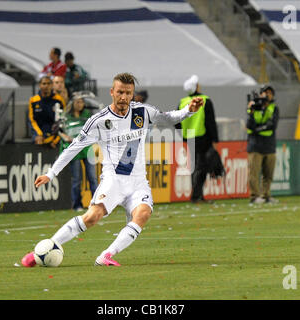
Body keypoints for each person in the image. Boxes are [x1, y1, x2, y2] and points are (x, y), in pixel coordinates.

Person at [21, 72, 203, 267]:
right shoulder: (98, 121)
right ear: (112, 92)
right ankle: (43, 250)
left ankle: (106, 255)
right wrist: (51, 173)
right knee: (92, 217)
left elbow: (167, 118)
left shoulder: (143, 112)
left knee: (143, 214)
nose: (124, 97)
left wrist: (188, 110)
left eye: (128, 93)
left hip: (138, 181)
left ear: (132, 94)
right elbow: (74, 147)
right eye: (120, 92)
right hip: (113, 180)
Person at [175, 75, 219, 203]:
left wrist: (182, 135)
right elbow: (211, 122)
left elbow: (176, 121)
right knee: (202, 167)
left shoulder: (183, 102)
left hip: (189, 139)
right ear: (196, 87)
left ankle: (197, 194)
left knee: (194, 167)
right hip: (203, 138)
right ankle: (197, 196)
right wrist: (215, 140)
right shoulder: (205, 100)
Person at [59, 95, 98, 211]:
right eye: (77, 102)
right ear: (72, 104)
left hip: (87, 149)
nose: (79, 104)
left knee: (93, 178)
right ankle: (77, 205)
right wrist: (66, 137)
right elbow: (60, 130)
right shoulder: (66, 116)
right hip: (74, 150)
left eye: (81, 102)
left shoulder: (87, 115)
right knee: (76, 179)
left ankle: (96, 204)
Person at [246, 85, 279, 204]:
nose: (267, 95)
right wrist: (251, 109)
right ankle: (254, 196)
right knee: (254, 173)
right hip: (256, 146)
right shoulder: (254, 107)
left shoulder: (274, 108)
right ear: (261, 94)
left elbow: (272, 126)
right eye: (265, 93)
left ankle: (266, 195)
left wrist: (258, 129)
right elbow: (249, 125)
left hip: (269, 146)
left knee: (268, 174)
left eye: (270, 93)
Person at [28, 76, 66, 148]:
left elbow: (63, 119)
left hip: (54, 132)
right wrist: (38, 134)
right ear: (40, 85)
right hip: (38, 132)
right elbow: (31, 120)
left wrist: (55, 139)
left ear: (52, 85)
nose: (46, 86)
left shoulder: (59, 100)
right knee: (38, 141)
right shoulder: (33, 100)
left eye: (48, 84)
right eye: (44, 83)